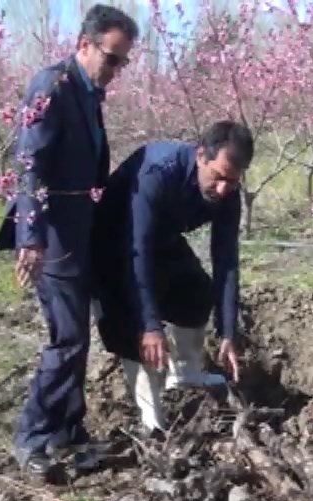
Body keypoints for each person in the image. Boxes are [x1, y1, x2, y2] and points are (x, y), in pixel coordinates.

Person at [0, 5, 138, 479]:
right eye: (111, 59)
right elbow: (30, 163)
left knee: (78, 335)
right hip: (53, 235)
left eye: (122, 62)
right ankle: (34, 435)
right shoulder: (53, 87)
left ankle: (69, 428)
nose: (115, 71)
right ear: (84, 44)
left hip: (79, 230)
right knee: (67, 336)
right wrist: (30, 237)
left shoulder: (87, 92)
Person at [92, 121, 255, 433]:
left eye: (233, 182)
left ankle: (184, 372)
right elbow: (135, 250)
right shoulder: (157, 172)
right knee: (132, 327)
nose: (223, 190)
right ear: (200, 156)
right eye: (218, 177)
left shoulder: (228, 194)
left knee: (196, 292)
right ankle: (152, 421)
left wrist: (228, 331)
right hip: (111, 244)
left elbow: (227, 261)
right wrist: (150, 324)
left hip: (161, 239)